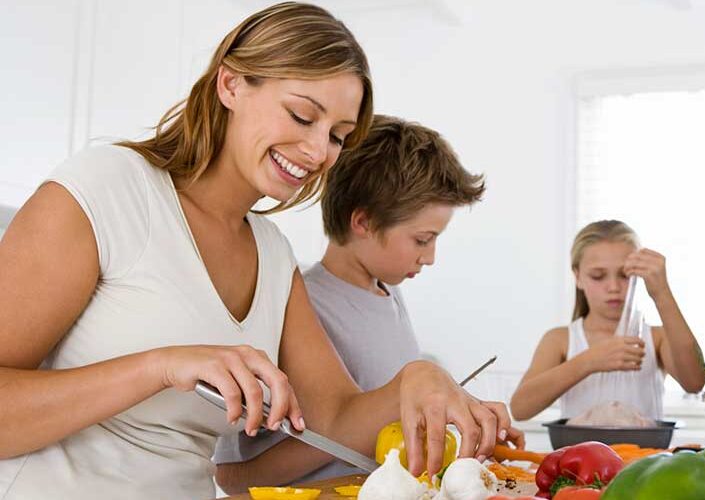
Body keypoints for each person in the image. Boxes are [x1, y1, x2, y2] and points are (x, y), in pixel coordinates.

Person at [0, 4, 516, 499]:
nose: (318, 152)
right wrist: (158, 366)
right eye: (300, 115)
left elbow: (334, 419)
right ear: (230, 84)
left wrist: (420, 379)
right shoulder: (107, 189)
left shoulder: (273, 256)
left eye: (337, 136)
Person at [214, 114, 522, 491]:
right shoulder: (297, 306)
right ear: (362, 222)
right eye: (422, 239)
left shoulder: (389, 293)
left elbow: (389, 418)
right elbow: (233, 475)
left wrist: (450, 409)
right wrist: (376, 421)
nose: (430, 257)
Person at [509, 220, 705, 422]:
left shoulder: (657, 338)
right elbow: (520, 409)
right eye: (598, 276)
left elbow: (695, 383)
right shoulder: (559, 340)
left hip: (647, 453)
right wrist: (590, 361)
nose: (613, 286)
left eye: (624, 275)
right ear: (577, 276)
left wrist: (661, 292)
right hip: (578, 453)